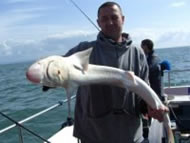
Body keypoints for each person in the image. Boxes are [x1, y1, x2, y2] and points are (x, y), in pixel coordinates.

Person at [45, 2, 168, 143]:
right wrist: (47, 74)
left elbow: (143, 93)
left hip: (131, 134)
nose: (109, 22)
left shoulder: (137, 53)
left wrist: (149, 107)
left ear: (123, 19)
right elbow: (57, 72)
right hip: (94, 135)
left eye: (114, 17)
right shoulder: (83, 50)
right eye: (104, 19)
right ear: (98, 22)